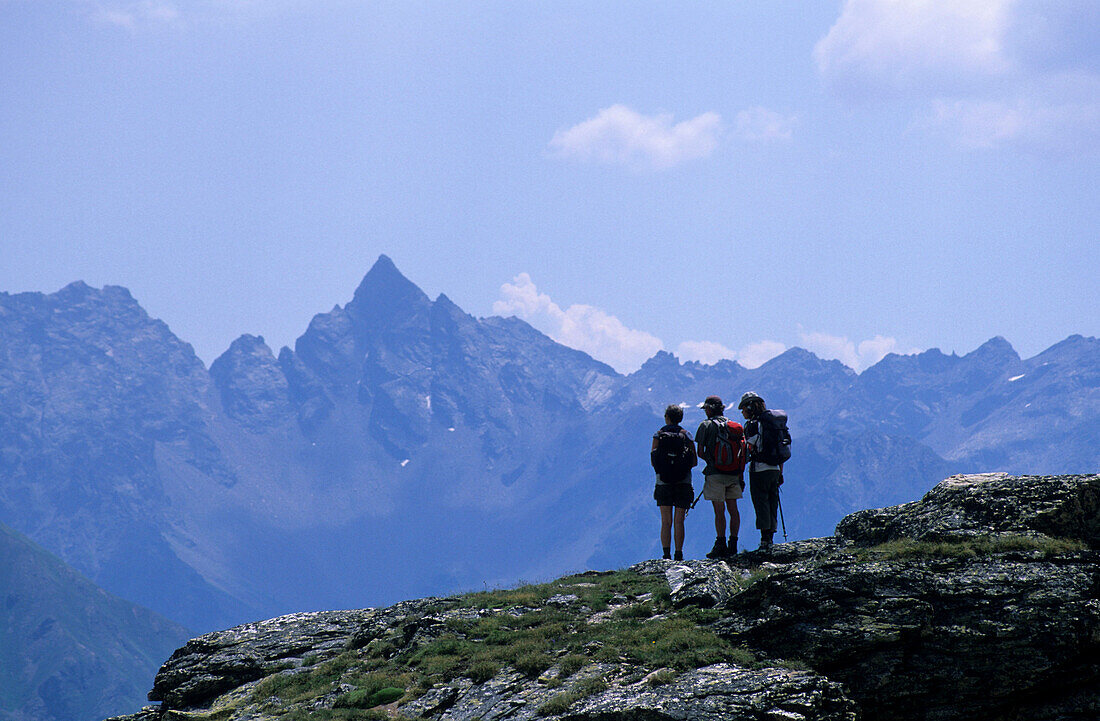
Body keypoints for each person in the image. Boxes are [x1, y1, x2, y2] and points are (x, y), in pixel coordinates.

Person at [694, 396, 744, 558]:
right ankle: (734, 543)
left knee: (719, 510)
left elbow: (700, 452)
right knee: (733, 509)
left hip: (715, 474)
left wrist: (712, 462)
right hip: (734, 473)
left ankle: (720, 543)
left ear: (709, 409)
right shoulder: (733, 426)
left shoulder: (705, 426)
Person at [650, 404, 697, 560]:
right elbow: (694, 461)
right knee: (679, 521)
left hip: (663, 481)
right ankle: (679, 553)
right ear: (680, 418)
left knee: (666, 521)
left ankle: (666, 554)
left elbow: (653, 460)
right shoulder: (687, 435)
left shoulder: (658, 435)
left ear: (667, 417)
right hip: (683, 481)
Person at [738, 391, 782, 550]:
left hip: (759, 469)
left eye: (743, 409)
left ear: (749, 408)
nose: (742, 412)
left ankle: (764, 539)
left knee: (761, 502)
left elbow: (749, 446)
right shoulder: (774, 423)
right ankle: (771, 537)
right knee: (772, 502)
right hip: (775, 469)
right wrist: (780, 472)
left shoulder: (752, 425)